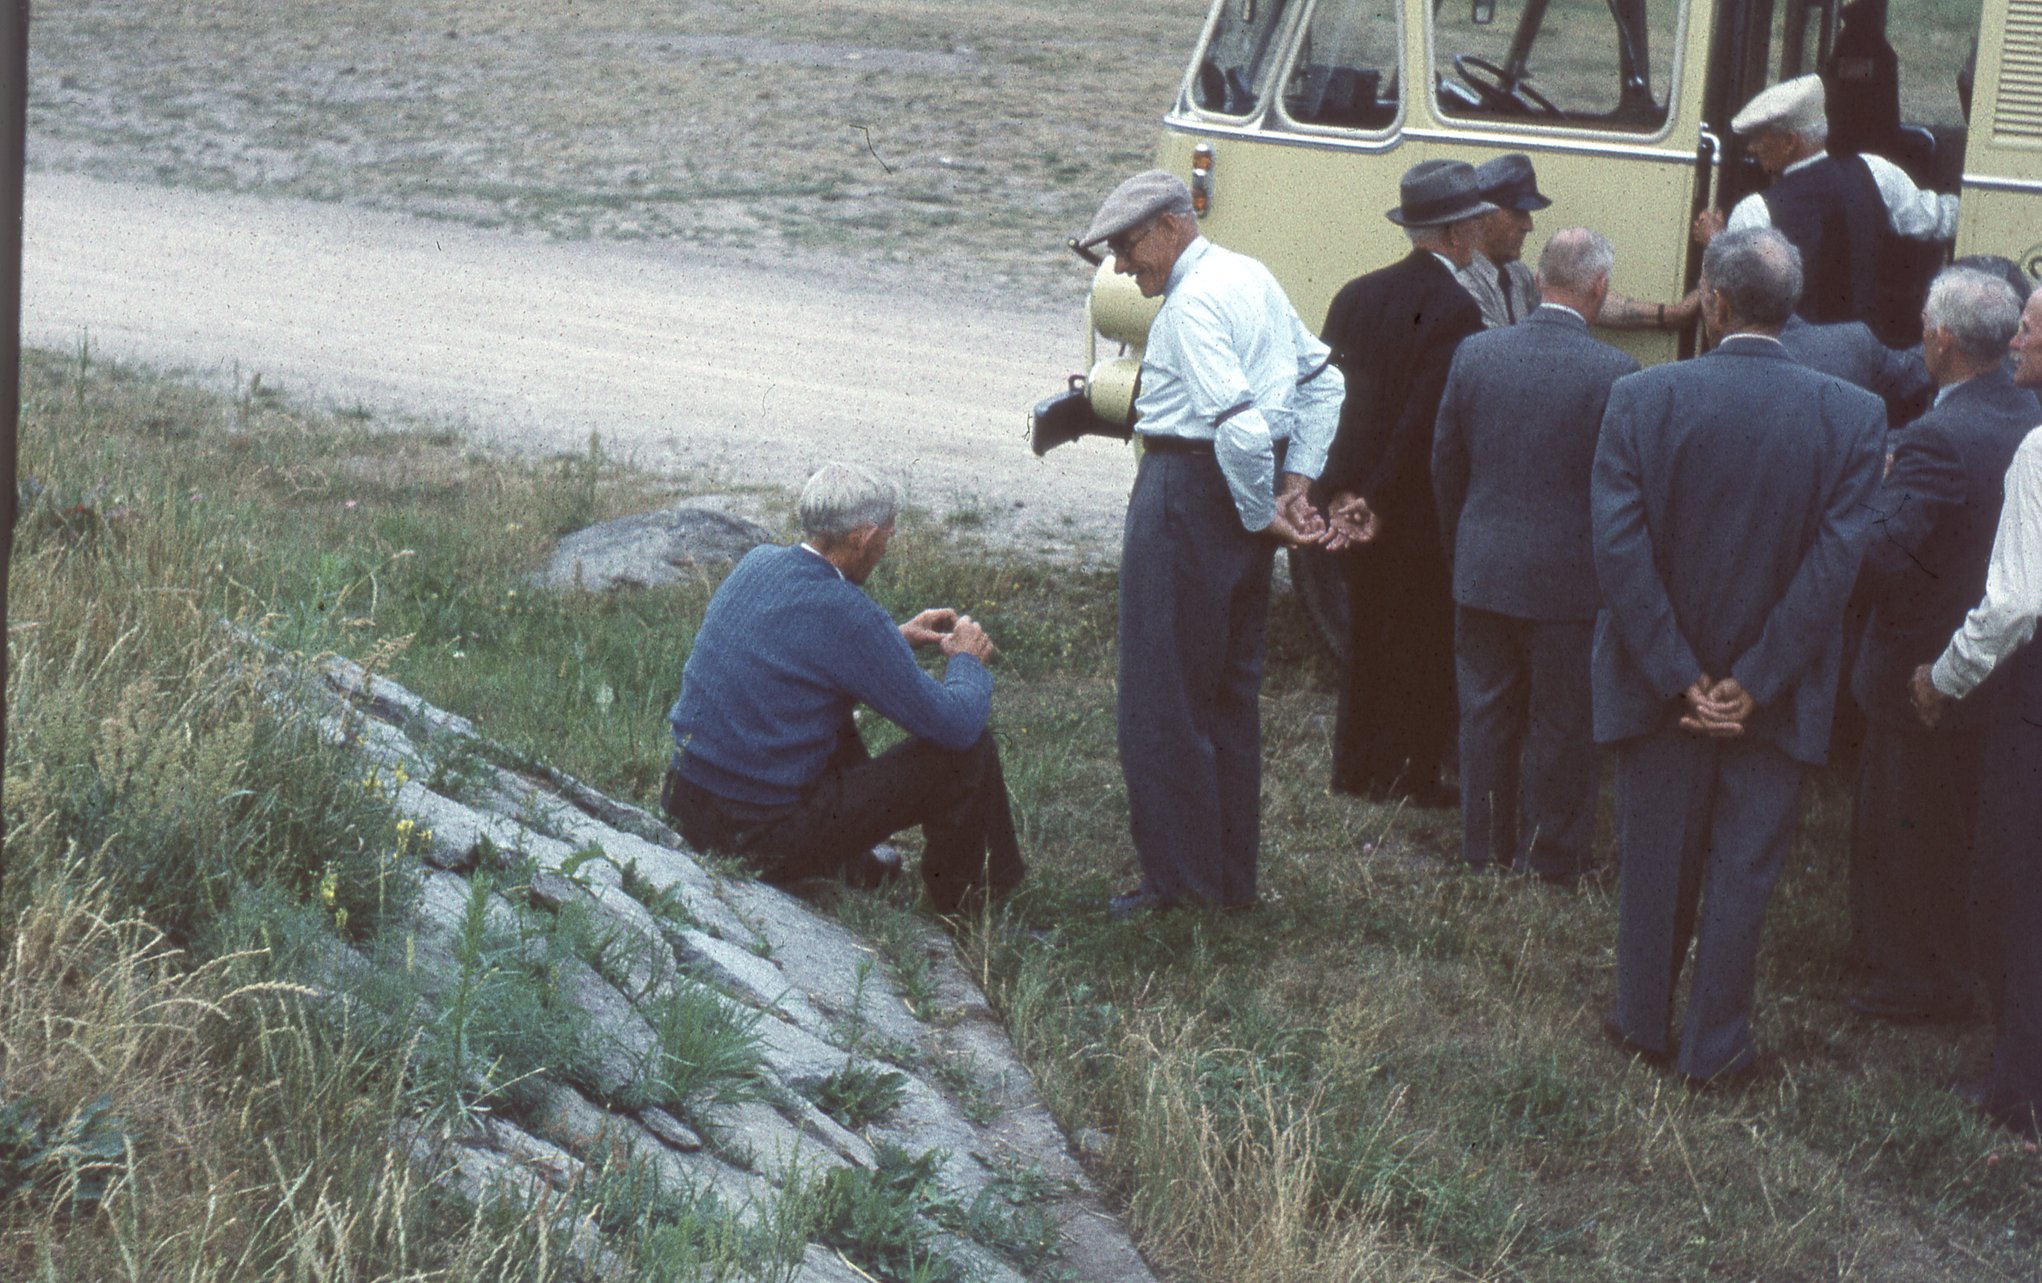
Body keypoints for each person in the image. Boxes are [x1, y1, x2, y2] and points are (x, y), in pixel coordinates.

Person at [1593, 228, 1884, 1085]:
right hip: (1778, 695)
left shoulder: (1642, 398)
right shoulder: (1853, 414)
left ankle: (1642, 1018)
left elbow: (1618, 551)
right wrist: (1754, 683)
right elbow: (1836, 568)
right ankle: (1715, 1045)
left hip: (1663, 689)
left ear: (1712, 304)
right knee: (1746, 872)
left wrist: (1680, 672)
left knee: (1655, 857)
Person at [1075, 170, 1342, 918]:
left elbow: (1242, 425)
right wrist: (1298, 483)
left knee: (1161, 704)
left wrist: (1265, 508)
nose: (1123, 268)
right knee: (1227, 697)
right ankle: (1227, 882)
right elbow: (1325, 384)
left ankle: (1179, 892)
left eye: (1128, 248)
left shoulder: (1190, 305)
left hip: (1185, 495)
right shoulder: (1248, 275)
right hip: (1232, 500)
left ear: (1169, 226)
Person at [660, 462, 1023, 913]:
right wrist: (967, 661)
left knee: (824, 712)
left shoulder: (758, 563)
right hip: (758, 838)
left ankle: (851, 860)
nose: (886, 547)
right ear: (864, 538)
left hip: (688, 806)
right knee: (965, 756)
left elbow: (800, 654)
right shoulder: (848, 614)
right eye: (887, 538)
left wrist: (893, 639)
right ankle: (978, 909)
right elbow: (957, 725)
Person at [1848, 269, 2031, 1024]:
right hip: (1998, 666)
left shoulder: (1937, 437)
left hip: (1918, 662)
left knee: (1902, 829)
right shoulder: (2027, 414)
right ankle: (1959, 964)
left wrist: (1866, 495)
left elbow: (1880, 557)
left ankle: (1912, 981)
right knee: (1962, 831)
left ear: (1942, 339)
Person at [1433, 228, 1639, 881]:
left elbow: (1446, 466)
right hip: (1568, 582)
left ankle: (1482, 845)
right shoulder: (1615, 372)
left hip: (1484, 564)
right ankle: (1550, 854)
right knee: (1562, 722)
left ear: (1542, 276)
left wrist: (1463, 543)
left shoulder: (1476, 354)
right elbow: (1618, 492)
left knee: (1486, 713)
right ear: (1599, 287)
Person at [1910, 285, 2042, 1136]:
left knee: (2015, 892)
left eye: (2034, 324)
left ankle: (2019, 1086)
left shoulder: (2037, 450)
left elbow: (2015, 604)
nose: (2019, 333)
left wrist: (1944, 679)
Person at [1319, 159, 1490, 808]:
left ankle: (1355, 766)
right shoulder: (1456, 310)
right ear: (1452, 233)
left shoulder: (1355, 293)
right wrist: (1379, 497)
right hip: (1409, 509)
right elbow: (1425, 422)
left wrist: (1337, 489)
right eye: (1473, 222)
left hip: (1351, 495)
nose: (1478, 231)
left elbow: (1330, 400)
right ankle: (1408, 775)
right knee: (1419, 639)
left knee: (1366, 633)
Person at [1695, 74, 1957, 337]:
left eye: (1760, 136)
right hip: (1865, 348)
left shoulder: (1754, 209)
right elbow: (1938, 221)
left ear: (1790, 141)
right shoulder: (1876, 171)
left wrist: (1716, 242)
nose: (1751, 147)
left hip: (1795, 357)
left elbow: (1740, 300)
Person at [1457, 154, 1699, 334]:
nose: (1528, 226)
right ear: (1485, 218)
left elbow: (1576, 297)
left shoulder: (1514, 274)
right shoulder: (1463, 286)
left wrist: (1668, 314)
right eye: (1519, 213)